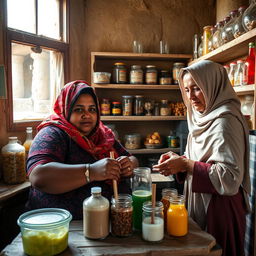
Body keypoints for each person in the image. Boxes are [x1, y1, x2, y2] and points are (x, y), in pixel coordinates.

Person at [153, 60, 250, 256]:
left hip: (220, 210)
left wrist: (186, 164)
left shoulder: (225, 122)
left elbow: (230, 178)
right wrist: (178, 161)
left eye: (197, 88)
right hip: (202, 201)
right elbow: (201, 159)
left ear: (212, 85)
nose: (191, 97)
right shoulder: (201, 117)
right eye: (187, 90)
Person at [26, 80, 138, 220]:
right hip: (62, 226)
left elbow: (132, 159)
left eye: (92, 109)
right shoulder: (53, 133)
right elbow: (38, 176)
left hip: (113, 221)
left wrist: (128, 165)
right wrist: (91, 171)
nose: (87, 115)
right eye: (79, 109)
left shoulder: (102, 134)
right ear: (66, 110)